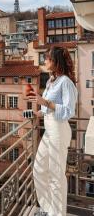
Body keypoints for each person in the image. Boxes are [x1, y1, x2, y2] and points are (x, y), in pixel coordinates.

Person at [27, 46, 78, 216]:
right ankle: (48, 208)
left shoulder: (66, 82)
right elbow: (49, 109)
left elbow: (68, 110)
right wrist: (38, 112)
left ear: (56, 62)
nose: (45, 61)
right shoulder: (50, 81)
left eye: (48, 58)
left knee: (56, 175)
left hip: (58, 130)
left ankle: (57, 214)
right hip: (49, 130)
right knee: (39, 170)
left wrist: (45, 102)